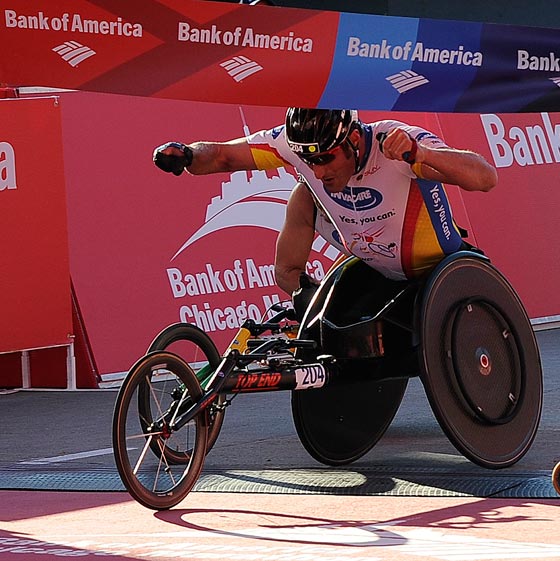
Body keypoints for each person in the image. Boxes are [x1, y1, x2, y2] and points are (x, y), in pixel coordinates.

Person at [153, 108, 497, 307]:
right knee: (303, 194)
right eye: (308, 160)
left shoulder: (393, 142)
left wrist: (422, 154)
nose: (318, 171)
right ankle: (306, 293)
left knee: (307, 189)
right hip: (376, 274)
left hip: (441, 272)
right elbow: (223, 155)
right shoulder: (292, 144)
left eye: (325, 159)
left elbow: (485, 178)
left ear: (354, 140)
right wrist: (187, 154)